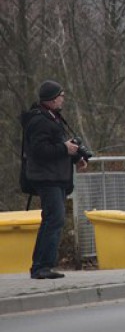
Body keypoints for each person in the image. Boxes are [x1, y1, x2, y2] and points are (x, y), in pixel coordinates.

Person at [21, 81, 86, 279]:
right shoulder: (39, 121)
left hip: (56, 176)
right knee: (54, 218)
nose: (63, 99)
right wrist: (65, 149)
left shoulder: (53, 118)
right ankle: (41, 266)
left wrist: (76, 156)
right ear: (51, 99)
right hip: (46, 177)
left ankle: (43, 265)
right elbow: (39, 151)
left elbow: (59, 145)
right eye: (61, 95)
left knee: (53, 219)